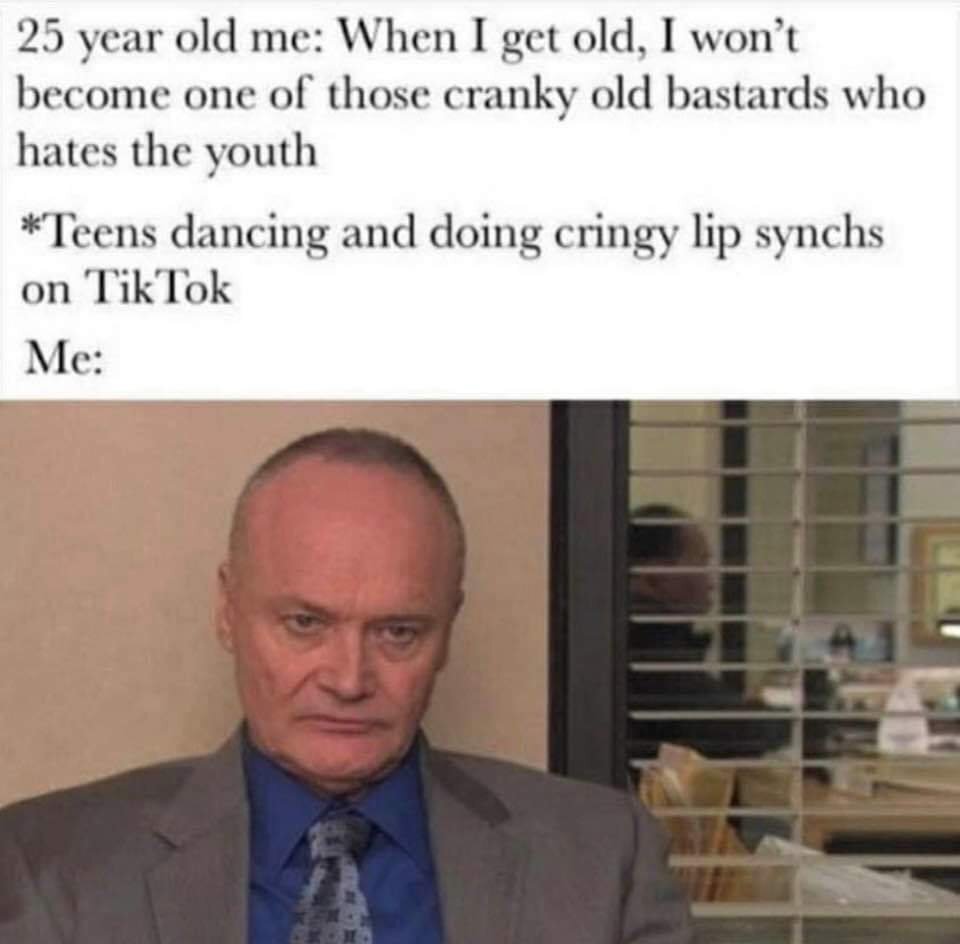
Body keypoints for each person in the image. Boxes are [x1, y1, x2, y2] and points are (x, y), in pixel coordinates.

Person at [0, 429, 693, 944]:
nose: (348, 679)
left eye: (398, 632)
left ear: (448, 629)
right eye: (305, 624)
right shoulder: (50, 867)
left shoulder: (603, 859)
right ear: (228, 610)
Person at [628, 504, 786, 759]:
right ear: (654, 574)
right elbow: (728, 729)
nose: (712, 581)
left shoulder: (645, 635)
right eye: (700, 562)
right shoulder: (647, 645)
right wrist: (800, 717)